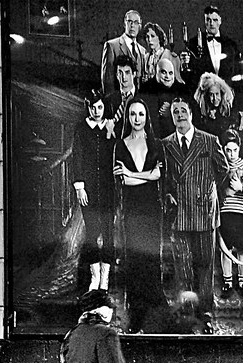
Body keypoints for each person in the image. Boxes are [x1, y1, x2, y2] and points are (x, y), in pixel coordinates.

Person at [162, 97, 228, 321]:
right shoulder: (166, 144)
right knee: (182, 265)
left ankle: (206, 310)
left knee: (205, 264)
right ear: (172, 117)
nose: (179, 114)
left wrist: (208, 193)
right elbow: (163, 178)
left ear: (191, 113)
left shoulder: (209, 141)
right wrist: (169, 195)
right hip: (178, 213)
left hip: (203, 212)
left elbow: (224, 170)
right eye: (175, 111)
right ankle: (187, 311)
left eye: (183, 110)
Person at [114, 98, 168, 333]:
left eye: (141, 114)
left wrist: (135, 174)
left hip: (152, 210)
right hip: (132, 211)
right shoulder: (120, 145)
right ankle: (136, 315)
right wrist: (145, 175)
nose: (137, 119)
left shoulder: (156, 144)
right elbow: (123, 180)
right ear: (128, 117)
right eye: (133, 114)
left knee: (152, 259)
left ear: (147, 117)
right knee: (134, 261)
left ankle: (156, 317)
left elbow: (159, 176)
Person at [71, 89, 117, 292]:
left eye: (100, 107)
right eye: (93, 107)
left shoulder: (109, 128)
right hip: (88, 189)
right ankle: (95, 277)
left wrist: (110, 132)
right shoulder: (81, 130)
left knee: (108, 233)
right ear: (88, 108)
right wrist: (79, 186)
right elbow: (77, 158)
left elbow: (115, 155)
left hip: (108, 189)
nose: (97, 111)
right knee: (91, 233)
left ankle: (105, 279)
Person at [217, 129, 243, 299]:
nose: (232, 154)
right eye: (228, 150)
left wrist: (240, 188)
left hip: (242, 212)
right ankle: (227, 283)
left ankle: (242, 283)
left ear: (239, 149)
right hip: (226, 211)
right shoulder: (220, 164)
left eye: (235, 150)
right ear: (223, 149)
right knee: (226, 249)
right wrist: (227, 190)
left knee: (242, 248)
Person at [183, 5, 243, 92]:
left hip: (227, 94)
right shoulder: (193, 43)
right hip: (203, 94)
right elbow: (191, 73)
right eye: (208, 20)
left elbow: (237, 72)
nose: (211, 23)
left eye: (215, 20)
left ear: (220, 21)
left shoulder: (231, 45)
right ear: (204, 21)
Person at [140, 57, 188, 139]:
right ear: (156, 73)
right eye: (163, 72)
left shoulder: (182, 90)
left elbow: (192, 114)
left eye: (170, 73)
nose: (167, 76)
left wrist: (172, 111)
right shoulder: (145, 89)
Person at [101, 10, 146, 95]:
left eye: (136, 22)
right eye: (129, 22)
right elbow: (107, 80)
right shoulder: (112, 46)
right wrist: (111, 102)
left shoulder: (142, 51)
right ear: (124, 24)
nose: (132, 25)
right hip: (118, 100)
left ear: (140, 26)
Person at [193, 72, 243, 137]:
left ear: (222, 93)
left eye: (217, 94)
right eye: (211, 94)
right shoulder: (199, 112)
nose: (215, 98)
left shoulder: (231, 109)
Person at [105, 55, 140, 132]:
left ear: (134, 74)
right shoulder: (109, 100)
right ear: (117, 75)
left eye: (127, 72)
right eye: (120, 73)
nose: (124, 77)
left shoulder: (144, 97)